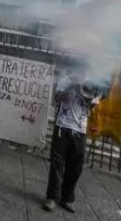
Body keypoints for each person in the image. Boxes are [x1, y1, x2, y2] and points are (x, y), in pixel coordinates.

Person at [43, 75, 100, 213]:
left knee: (76, 167)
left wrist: (85, 93)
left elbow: (92, 107)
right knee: (57, 163)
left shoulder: (92, 83)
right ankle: (52, 198)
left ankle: (67, 198)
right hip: (63, 126)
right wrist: (71, 87)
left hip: (80, 129)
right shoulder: (65, 80)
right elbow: (57, 99)